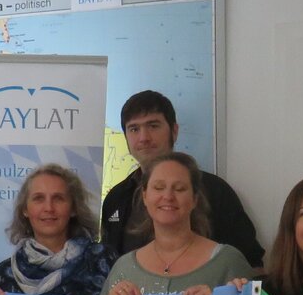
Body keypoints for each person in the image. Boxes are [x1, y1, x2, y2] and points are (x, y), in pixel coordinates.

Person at [100, 90, 264, 265]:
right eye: (134, 129)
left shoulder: (215, 191)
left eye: (153, 126)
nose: (143, 138)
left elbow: (250, 264)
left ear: (174, 131)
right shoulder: (116, 198)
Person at [101, 153, 252, 295]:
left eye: (179, 189)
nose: (168, 196)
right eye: (159, 188)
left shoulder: (228, 262)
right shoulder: (124, 268)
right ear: (145, 196)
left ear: (195, 199)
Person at [0, 164, 112, 295]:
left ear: (73, 208)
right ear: (25, 209)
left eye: (58, 198)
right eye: (39, 198)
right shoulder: (6, 273)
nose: (49, 208)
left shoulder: (102, 259)